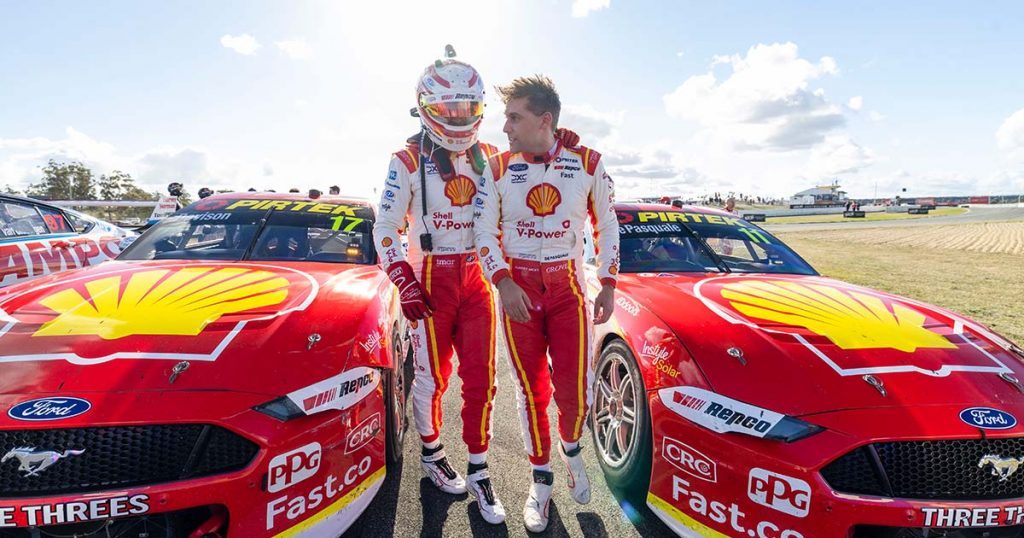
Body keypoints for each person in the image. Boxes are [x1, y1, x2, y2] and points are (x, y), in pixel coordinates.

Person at [474, 75, 619, 532]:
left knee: (575, 391)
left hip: (568, 289)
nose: (505, 127)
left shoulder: (589, 162)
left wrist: (609, 283)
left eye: (513, 117)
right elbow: (483, 232)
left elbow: (608, 227)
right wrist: (502, 281)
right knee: (530, 390)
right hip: (518, 288)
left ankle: (571, 448)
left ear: (545, 120)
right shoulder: (495, 168)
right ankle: (540, 481)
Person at [372, 53, 507, 524]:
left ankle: (479, 465)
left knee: (483, 378)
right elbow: (385, 226)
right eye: (448, 110)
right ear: (426, 107)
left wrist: (559, 141)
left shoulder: (491, 155)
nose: (458, 119)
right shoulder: (405, 160)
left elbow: (541, 171)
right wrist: (402, 278)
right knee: (431, 379)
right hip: (428, 278)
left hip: (476, 277)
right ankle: (432, 454)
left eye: (467, 108)